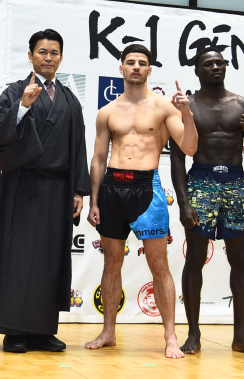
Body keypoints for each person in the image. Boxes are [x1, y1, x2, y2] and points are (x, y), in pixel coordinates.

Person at [84, 44, 197, 359]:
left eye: (142, 63)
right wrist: (94, 201)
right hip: (112, 188)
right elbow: (98, 158)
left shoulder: (163, 107)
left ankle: (171, 336)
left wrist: (187, 114)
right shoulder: (107, 111)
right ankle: (108, 331)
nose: (136, 67)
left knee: (159, 265)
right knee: (111, 263)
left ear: (149, 70)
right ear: (121, 68)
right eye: (130, 62)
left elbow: (189, 147)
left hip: (147, 189)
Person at [0, 29, 90, 353]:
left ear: (61, 58)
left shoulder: (69, 99)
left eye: (54, 52)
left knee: (51, 258)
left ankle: (43, 330)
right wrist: (22, 107)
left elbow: (78, 146)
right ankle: (13, 330)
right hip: (23, 185)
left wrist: (78, 190)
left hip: (58, 189)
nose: (48, 58)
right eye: (42, 52)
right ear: (30, 55)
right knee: (17, 255)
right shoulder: (16, 91)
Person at [170, 47, 244, 357]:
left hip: (235, 182)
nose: (216, 67)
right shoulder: (187, 106)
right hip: (201, 179)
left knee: (240, 260)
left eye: (220, 63)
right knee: (195, 257)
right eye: (209, 63)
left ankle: (241, 336)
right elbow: (177, 158)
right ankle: (193, 334)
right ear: (197, 70)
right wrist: (183, 202)